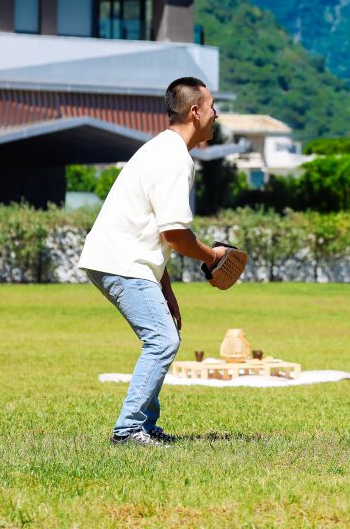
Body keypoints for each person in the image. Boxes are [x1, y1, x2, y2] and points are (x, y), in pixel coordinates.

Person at [78, 76, 227, 446]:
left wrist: (166, 290)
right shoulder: (175, 160)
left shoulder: (161, 149)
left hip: (120, 258)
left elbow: (151, 230)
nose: (216, 114)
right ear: (195, 111)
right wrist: (213, 258)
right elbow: (174, 233)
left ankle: (144, 425)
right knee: (161, 340)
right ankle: (129, 429)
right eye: (212, 106)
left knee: (164, 335)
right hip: (121, 261)